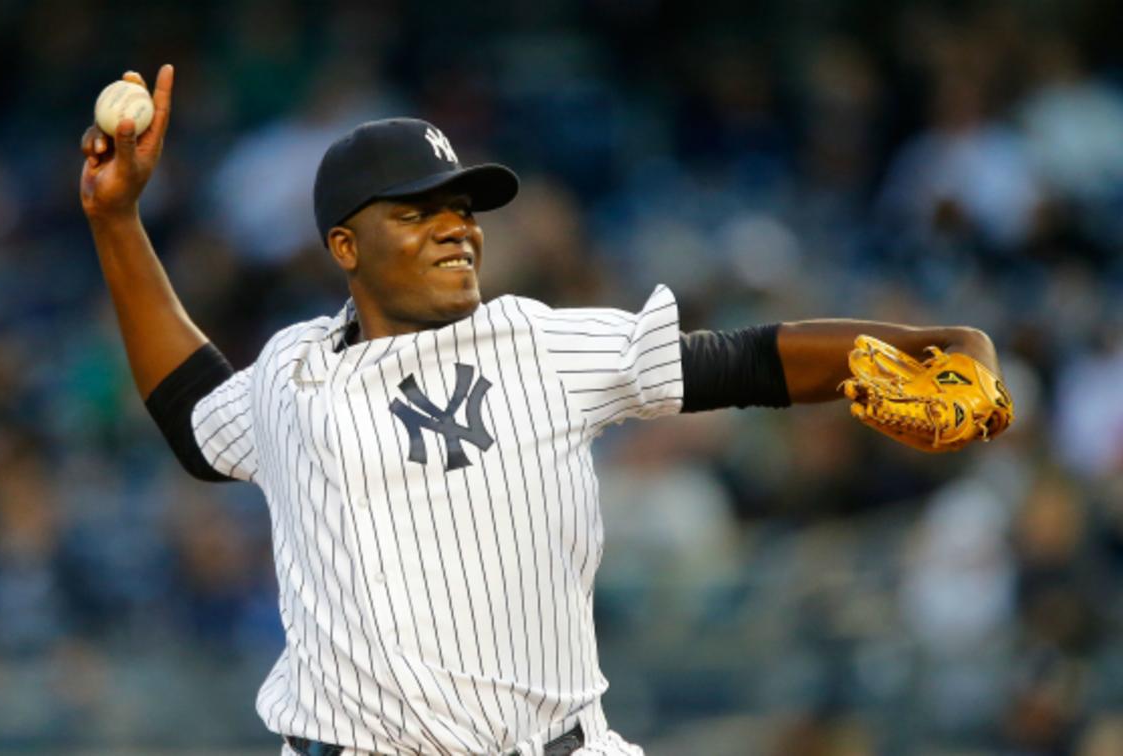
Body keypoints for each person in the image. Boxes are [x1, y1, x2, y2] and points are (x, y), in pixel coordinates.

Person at [80, 65, 1004, 756]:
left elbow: (743, 361)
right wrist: (117, 222)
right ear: (345, 246)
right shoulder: (292, 371)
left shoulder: (539, 342)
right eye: (416, 212)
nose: (457, 226)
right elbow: (197, 422)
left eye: (462, 207)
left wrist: (940, 342)